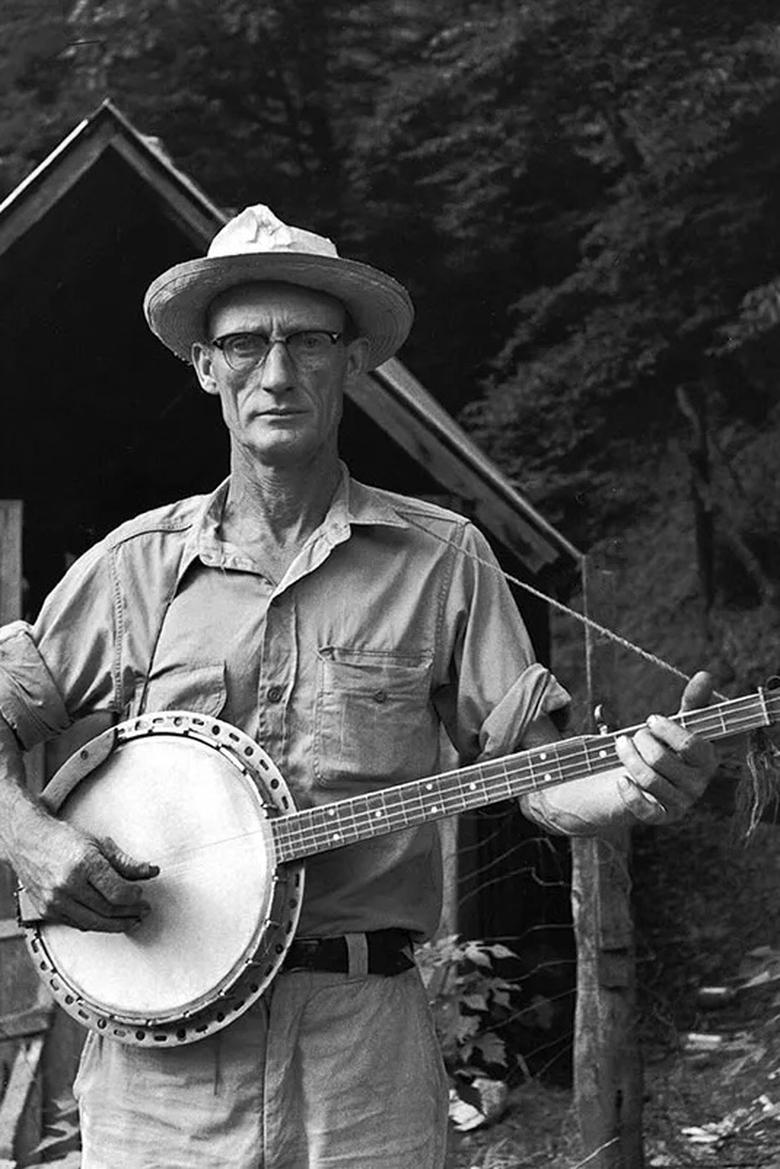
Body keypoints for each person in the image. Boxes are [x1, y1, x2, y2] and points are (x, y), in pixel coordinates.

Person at [0, 205, 717, 1168]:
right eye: (246, 343)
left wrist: (633, 781)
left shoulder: (442, 560)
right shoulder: (134, 567)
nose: (278, 371)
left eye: (309, 341)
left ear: (353, 361)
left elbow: (537, 774)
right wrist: (31, 835)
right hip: (158, 1065)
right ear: (207, 367)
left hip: (361, 1050)